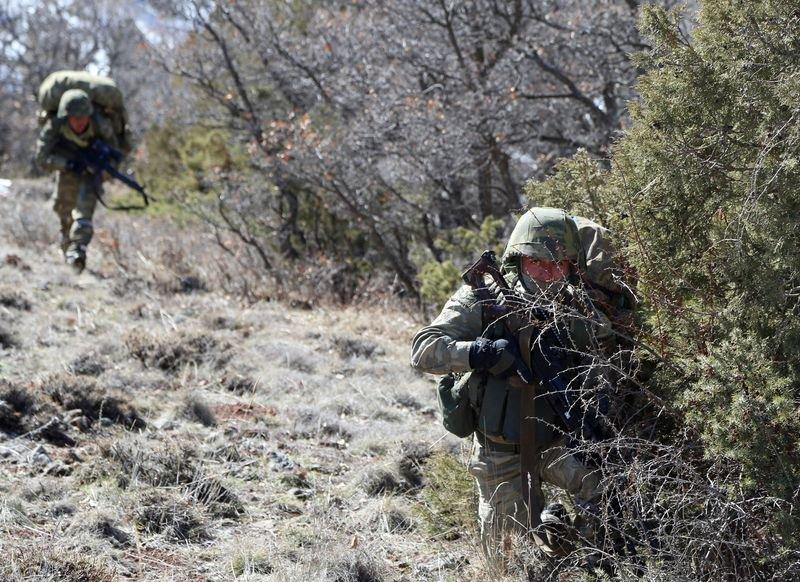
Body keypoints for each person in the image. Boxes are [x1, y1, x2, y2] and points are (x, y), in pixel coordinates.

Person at [411, 207, 617, 566]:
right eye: (537, 261)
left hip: (556, 442)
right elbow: (424, 350)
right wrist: (480, 353)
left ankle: (578, 555)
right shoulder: (482, 299)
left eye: (559, 263)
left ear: (571, 266)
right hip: (500, 453)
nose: (547, 273)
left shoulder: (576, 307)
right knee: (511, 565)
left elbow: (605, 358)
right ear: (518, 260)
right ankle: (546, 543)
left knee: (605, 489)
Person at [35, 73, 131, 273]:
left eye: (83, 118)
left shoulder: (102, 125)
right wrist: (69, 164)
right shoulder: (55, 126)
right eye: (74, 119)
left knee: (84, 212)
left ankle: (78, 251)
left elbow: (116, 155)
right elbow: (41, 158)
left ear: (89, 115)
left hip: (92, 170)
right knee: (64, 208)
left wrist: (99, 170)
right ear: (65, 117)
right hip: (67, 167)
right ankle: (66, 243)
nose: (79, 123)